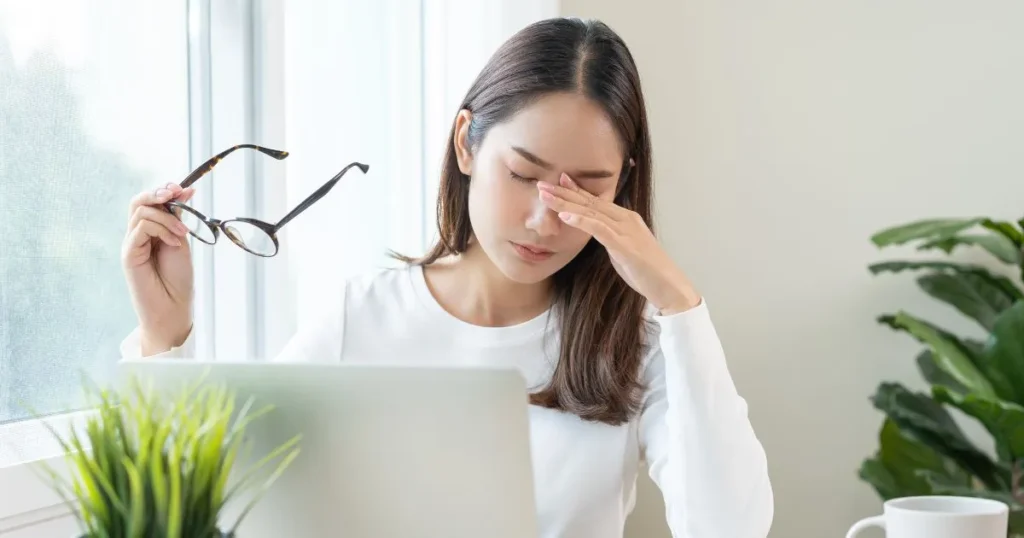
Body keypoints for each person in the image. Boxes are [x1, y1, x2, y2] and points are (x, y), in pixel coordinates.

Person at [120, 17, 773, 538]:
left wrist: (679, 304)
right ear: (467, 144)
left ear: (623, 184)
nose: (547, 221)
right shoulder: (364, 317)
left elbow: (730, 528)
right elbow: (214, 503)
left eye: (588, 191)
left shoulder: (638, 344)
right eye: (523, 175)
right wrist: (163, 334)